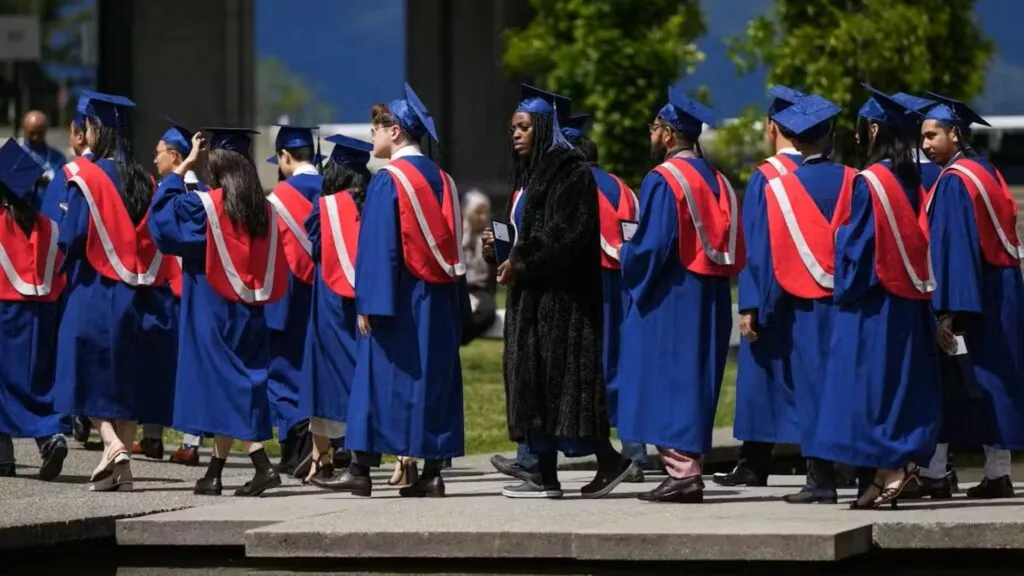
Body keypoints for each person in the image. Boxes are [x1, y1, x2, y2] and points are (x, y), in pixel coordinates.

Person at [314, 83, 465, 498]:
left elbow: (380, 247)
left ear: (395, 131)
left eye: (376, 128)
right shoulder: (444, 180)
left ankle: (360, 469)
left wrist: (368, 303)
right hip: (437, 298)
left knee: (377, 378)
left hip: (398, 299)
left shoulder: (390, 182)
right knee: (433, 380)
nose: (373, 137)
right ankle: (432, 472)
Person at [484, 84, 635, 500]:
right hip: (532, 300)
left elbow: (563, 236)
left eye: (523, 127)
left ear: (544, 128)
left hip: (563, 303)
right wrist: (497, 250)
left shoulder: (570, 173)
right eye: (512, 127)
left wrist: (521, 260)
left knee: (564, 391)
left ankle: (611, 462)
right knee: (539, 390)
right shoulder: (530, 177)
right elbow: (527, 234)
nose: (515, 134)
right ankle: (543, 475)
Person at [806, 85, 941, 510]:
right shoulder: (910, 180)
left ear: (876, 128)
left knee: (868, 388)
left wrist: (840, 252)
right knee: (899, 386)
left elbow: (858, 247)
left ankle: (894, 469)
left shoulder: (872, 182)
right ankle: (888, 470)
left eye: (865, 128)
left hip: (875, 302)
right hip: (909, 300)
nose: (860, 136)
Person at [618, 84, 743, 503]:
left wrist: (625, 254)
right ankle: (690, 467)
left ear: (670, 134)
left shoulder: (663, 179)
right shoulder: (719, 180)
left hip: (671, 295)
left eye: (655, 127)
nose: (652, 135)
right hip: (710, 293)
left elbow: (654, 244)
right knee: (696, 377)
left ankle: (682, 472)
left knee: (667, 377)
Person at [149, 127, 287, 497]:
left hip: (213, 311)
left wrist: (181, 170)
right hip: (250, 312)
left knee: (228, 387)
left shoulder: (206, 207)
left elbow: (163, 224)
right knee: (235, 385)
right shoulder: (264, 210)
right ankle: (214, 473)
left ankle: (262, 465)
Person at [53, 92, 179, 492]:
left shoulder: (86, 177)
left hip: (95, 286)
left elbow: (73, 236)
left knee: (81, 369)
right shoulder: (145, 178)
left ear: (96, 130)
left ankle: (110, 443)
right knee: (123, 377)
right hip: (137, 291)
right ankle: (121, 474)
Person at [915, 92, 1024, 499]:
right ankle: (998, 474)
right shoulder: (987, 172)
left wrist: (947, 312)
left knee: (958, 383)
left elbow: (954, 249)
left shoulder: (956, 181)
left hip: (975, 293)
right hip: (1001, 288)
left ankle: (935, 473)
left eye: (932, 135)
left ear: (956, 135)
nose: (925, 144)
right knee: (998, 383)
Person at [749, 94, 857, 504]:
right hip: (849, 301)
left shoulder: (779, 188)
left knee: (811, 388)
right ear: (829, 136)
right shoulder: (855, 179)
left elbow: (769, 254)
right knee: (847, 383)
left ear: (788, 134)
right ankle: (862, 474)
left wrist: (764, 309)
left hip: (803, 304)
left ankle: (821, 479)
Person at [719, 85, 804, 488]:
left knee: (761, 379)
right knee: (811, 374)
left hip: (771, 293)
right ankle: (827, 463)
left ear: (772, 127)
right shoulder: (820, 172)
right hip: (814, 296)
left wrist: (750, 303)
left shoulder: (766, 178)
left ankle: (754, 462)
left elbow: (757, 246)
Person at [566, 113, 647, 480]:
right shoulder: (623, 188)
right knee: (624, 364)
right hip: (625, 284)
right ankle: (635, 450)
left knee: (592, 366)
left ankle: (604, 454)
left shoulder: (575, 186)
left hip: (590, 283)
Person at [133, 117, 208, 466]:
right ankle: (152, 437)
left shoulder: (195, 194)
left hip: (186, 291)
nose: (154, 159)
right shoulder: (176, 190)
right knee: (157, 365)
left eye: (159, 153)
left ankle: (190, 442)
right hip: (167, 291)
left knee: (188, 367)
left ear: (176, 156)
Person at [302, 134, 372, 485]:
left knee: (329, 375)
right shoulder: (375, 201)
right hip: (369, 301)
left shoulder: (326, 207)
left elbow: (314, 243)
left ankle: (324, 454)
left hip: (331, 301)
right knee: (363, 373)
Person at [0, 138, 69, 480]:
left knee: (3, 384)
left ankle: (4, 458)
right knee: (38, 381)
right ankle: (50, 436)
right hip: (44, 315)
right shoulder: (52, 229)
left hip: (6, 315)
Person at [265, 124, 322, 477]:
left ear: (285, 157)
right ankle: (312, 447)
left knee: (283, 371)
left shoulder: (277, 200)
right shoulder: (335, 191)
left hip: (286, 297)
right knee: (315, 367)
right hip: (324, 295)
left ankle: (295, 442)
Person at [460, 189, 498, 345]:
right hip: (459, 286)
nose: (482, 217)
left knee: (486, 310)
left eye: (485, 212)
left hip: (480, 290)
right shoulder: (458, 233)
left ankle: (459, 338)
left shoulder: (490, 236)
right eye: (477, 212)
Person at [18, 110, 66, 185]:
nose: (35, 137)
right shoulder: (13, 154)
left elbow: (62, 185)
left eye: (40, 133)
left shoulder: (58, 158)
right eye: (32, 133)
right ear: (24, 129)